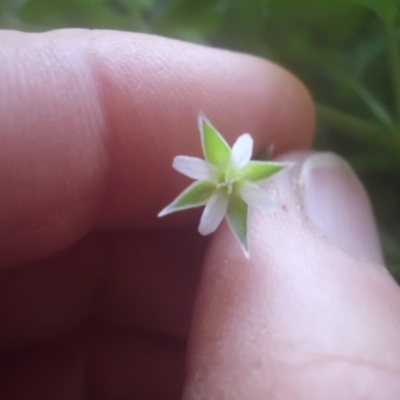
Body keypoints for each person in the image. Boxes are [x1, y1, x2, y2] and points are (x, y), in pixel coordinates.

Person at [0, 29, 399, 400]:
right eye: (224, 181)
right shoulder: (224, 188)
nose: (225, 183)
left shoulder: (237, 184)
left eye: (226, 181)